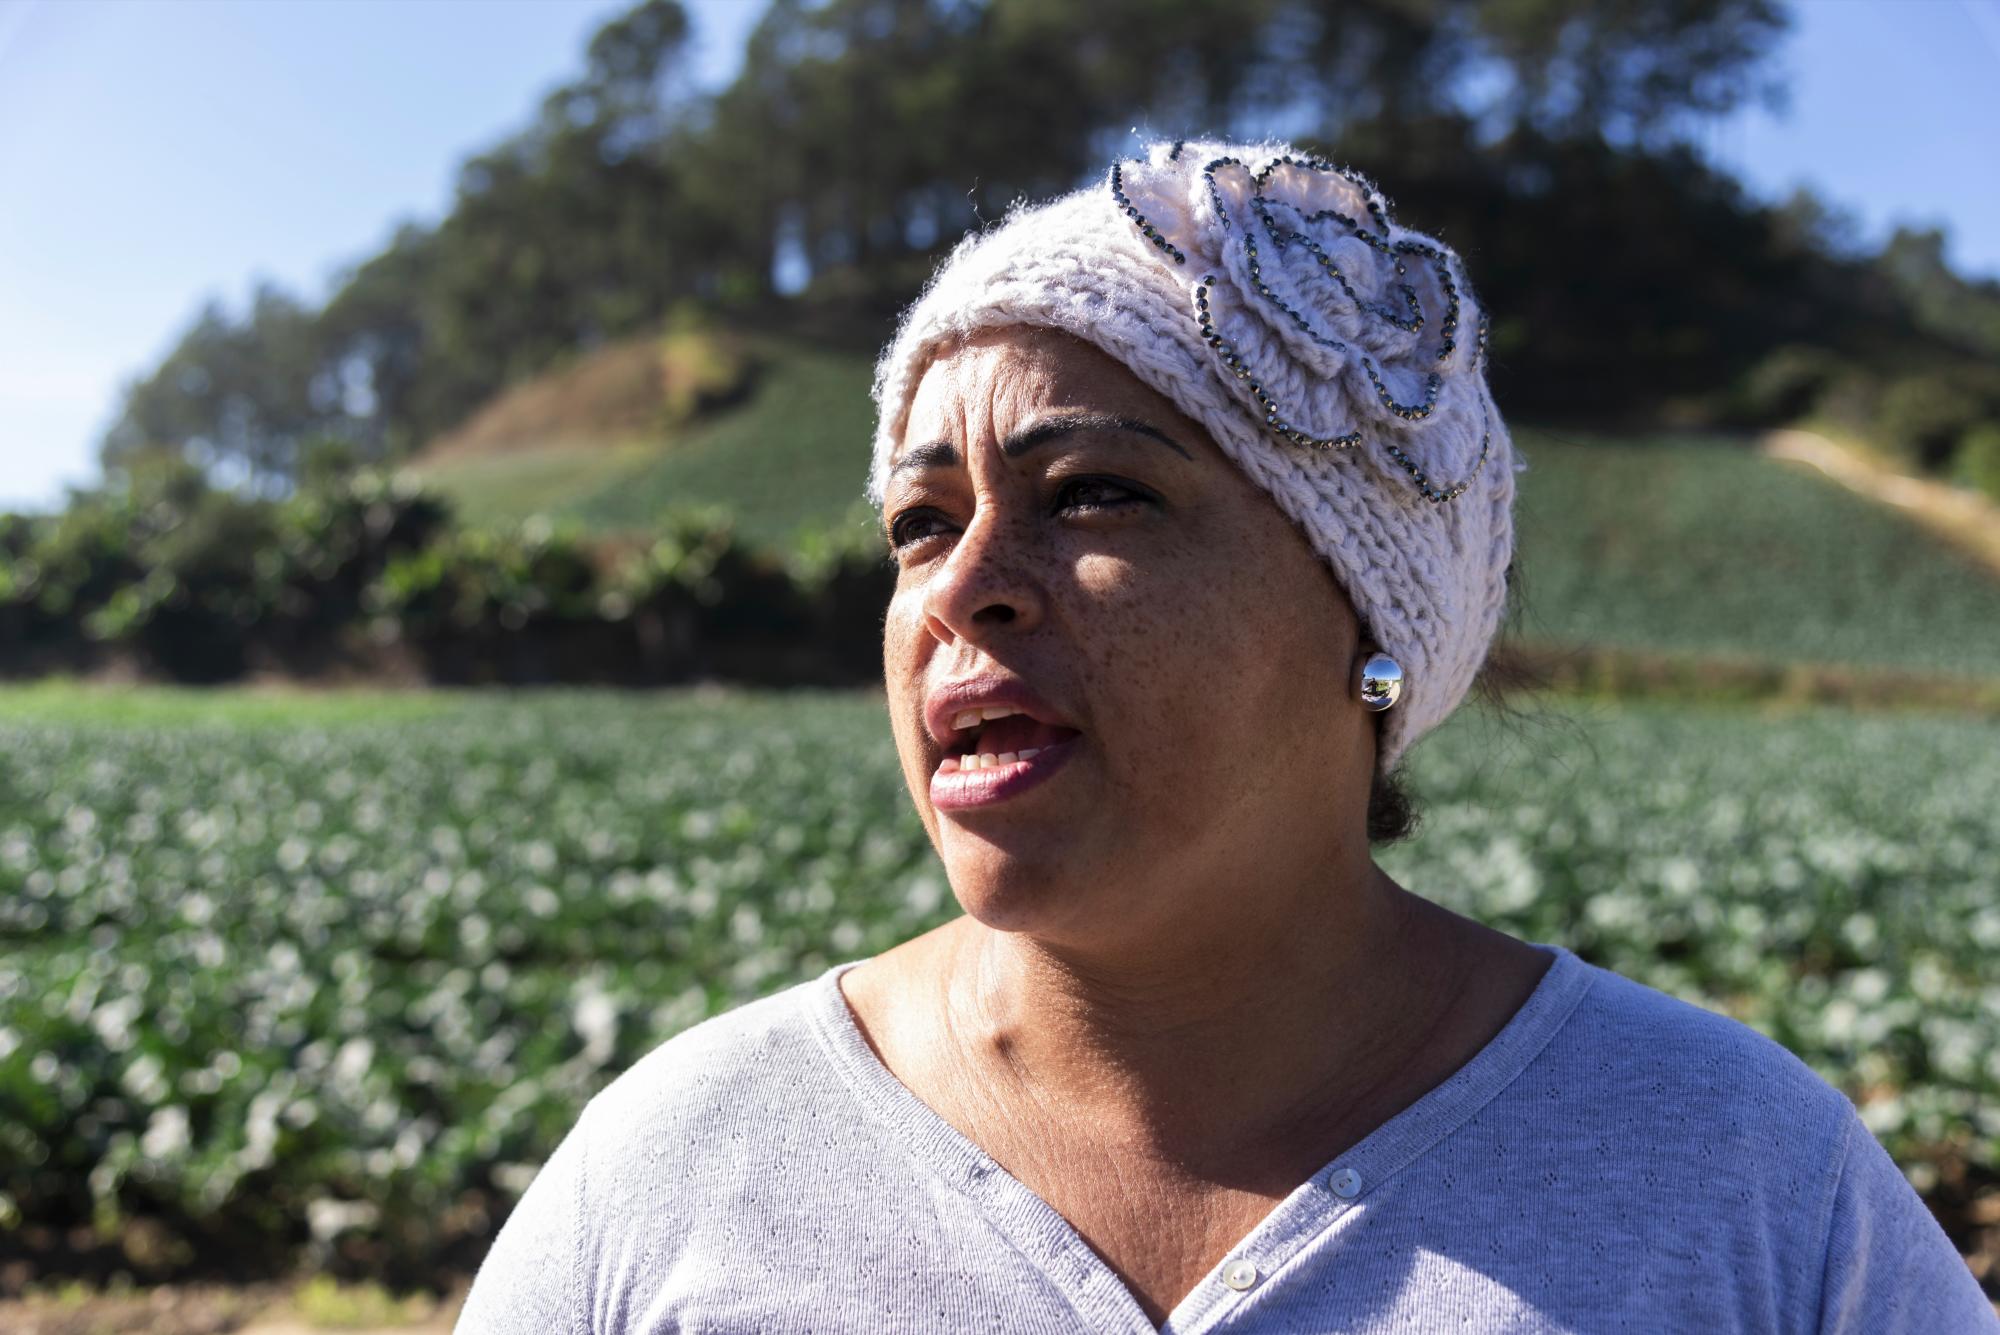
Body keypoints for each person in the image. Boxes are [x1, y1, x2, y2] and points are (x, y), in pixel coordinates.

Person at [453, 138, 1996, 1333]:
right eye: (920, 525)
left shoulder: (1738, 1186)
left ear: (1371, 618)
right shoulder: (675, 1168)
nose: (964, 593)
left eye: (1096, 496)